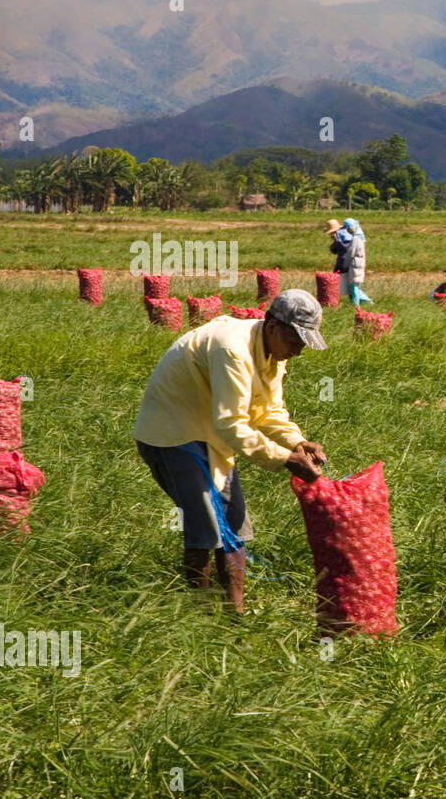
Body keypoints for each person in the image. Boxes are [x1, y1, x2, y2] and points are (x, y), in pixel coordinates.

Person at [133, 290, 329, 614]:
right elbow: (231, 424)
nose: (298, 351)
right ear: (272, 327)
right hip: (172, 433)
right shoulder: (233, 349)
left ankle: (234, 614)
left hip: (209, 433)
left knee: (235, 523)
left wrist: (297, 443)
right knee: (206, 524)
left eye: (303, 344)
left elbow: (268, 411)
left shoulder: (271, 356)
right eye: (295, 340)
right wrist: (285, 460)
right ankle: (201, 617)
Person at [337, 217, 372, 306]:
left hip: (355, 265)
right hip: (358, 264)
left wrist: (344, 265)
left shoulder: (356, 239)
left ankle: (356, 305)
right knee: (355, 286)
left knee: (353, 286)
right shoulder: (358, 237)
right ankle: (368, 302)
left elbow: (351, 253)